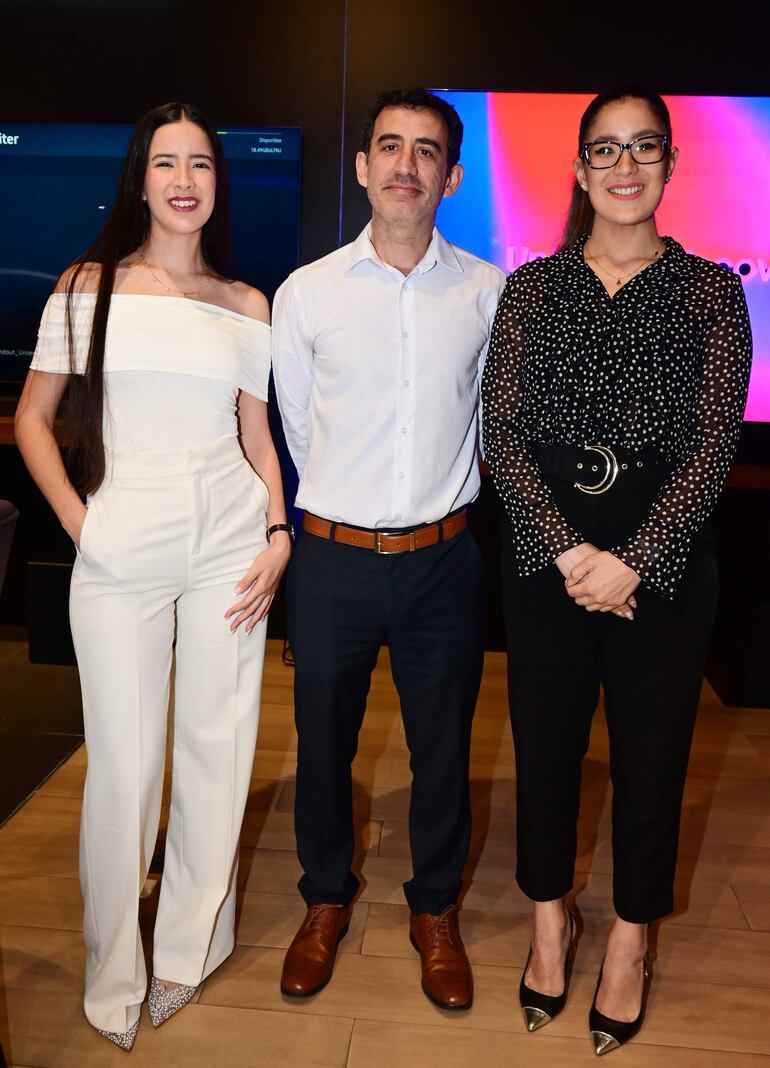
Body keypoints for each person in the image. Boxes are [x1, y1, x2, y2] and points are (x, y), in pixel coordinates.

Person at [14, 102, 291, 1050]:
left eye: (200, 164)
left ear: (218, 182)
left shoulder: (247, 303)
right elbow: (32, 419)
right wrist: (81, 523)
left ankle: (188, 950)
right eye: (166, 162)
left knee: (218, 751)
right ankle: (113, 974)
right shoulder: (87, 286)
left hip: (231, 539)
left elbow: (257, 437)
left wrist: (280, 529)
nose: (183, 180)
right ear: (140, 180)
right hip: (122, 536)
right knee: (125, 768)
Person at [482, 85, 752, 1054]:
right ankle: (548, 922)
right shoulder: (533, 288)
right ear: (579, 167)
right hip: (544, 559)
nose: (624, 165)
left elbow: (712, 446)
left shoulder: (709, 292)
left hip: (662, 569)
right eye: (605, 148)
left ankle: (631, 940)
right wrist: (569, 553)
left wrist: (631, 561)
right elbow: (501, 433)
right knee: (544, 751)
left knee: (651, 759)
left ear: (670, 164)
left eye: (643, 147)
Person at [272, 88, 504, 1009]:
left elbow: (492, 423)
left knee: (442, 752)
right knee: (322, 746)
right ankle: (324, 899)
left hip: (445, 561)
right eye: (390, 147)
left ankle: (435, 909)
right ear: (364, 166)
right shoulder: (307, 293)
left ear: (453, 175)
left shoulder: (488, 292)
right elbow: (297, 426)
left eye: (427, 150)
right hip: (332, 560)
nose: (407, 165)